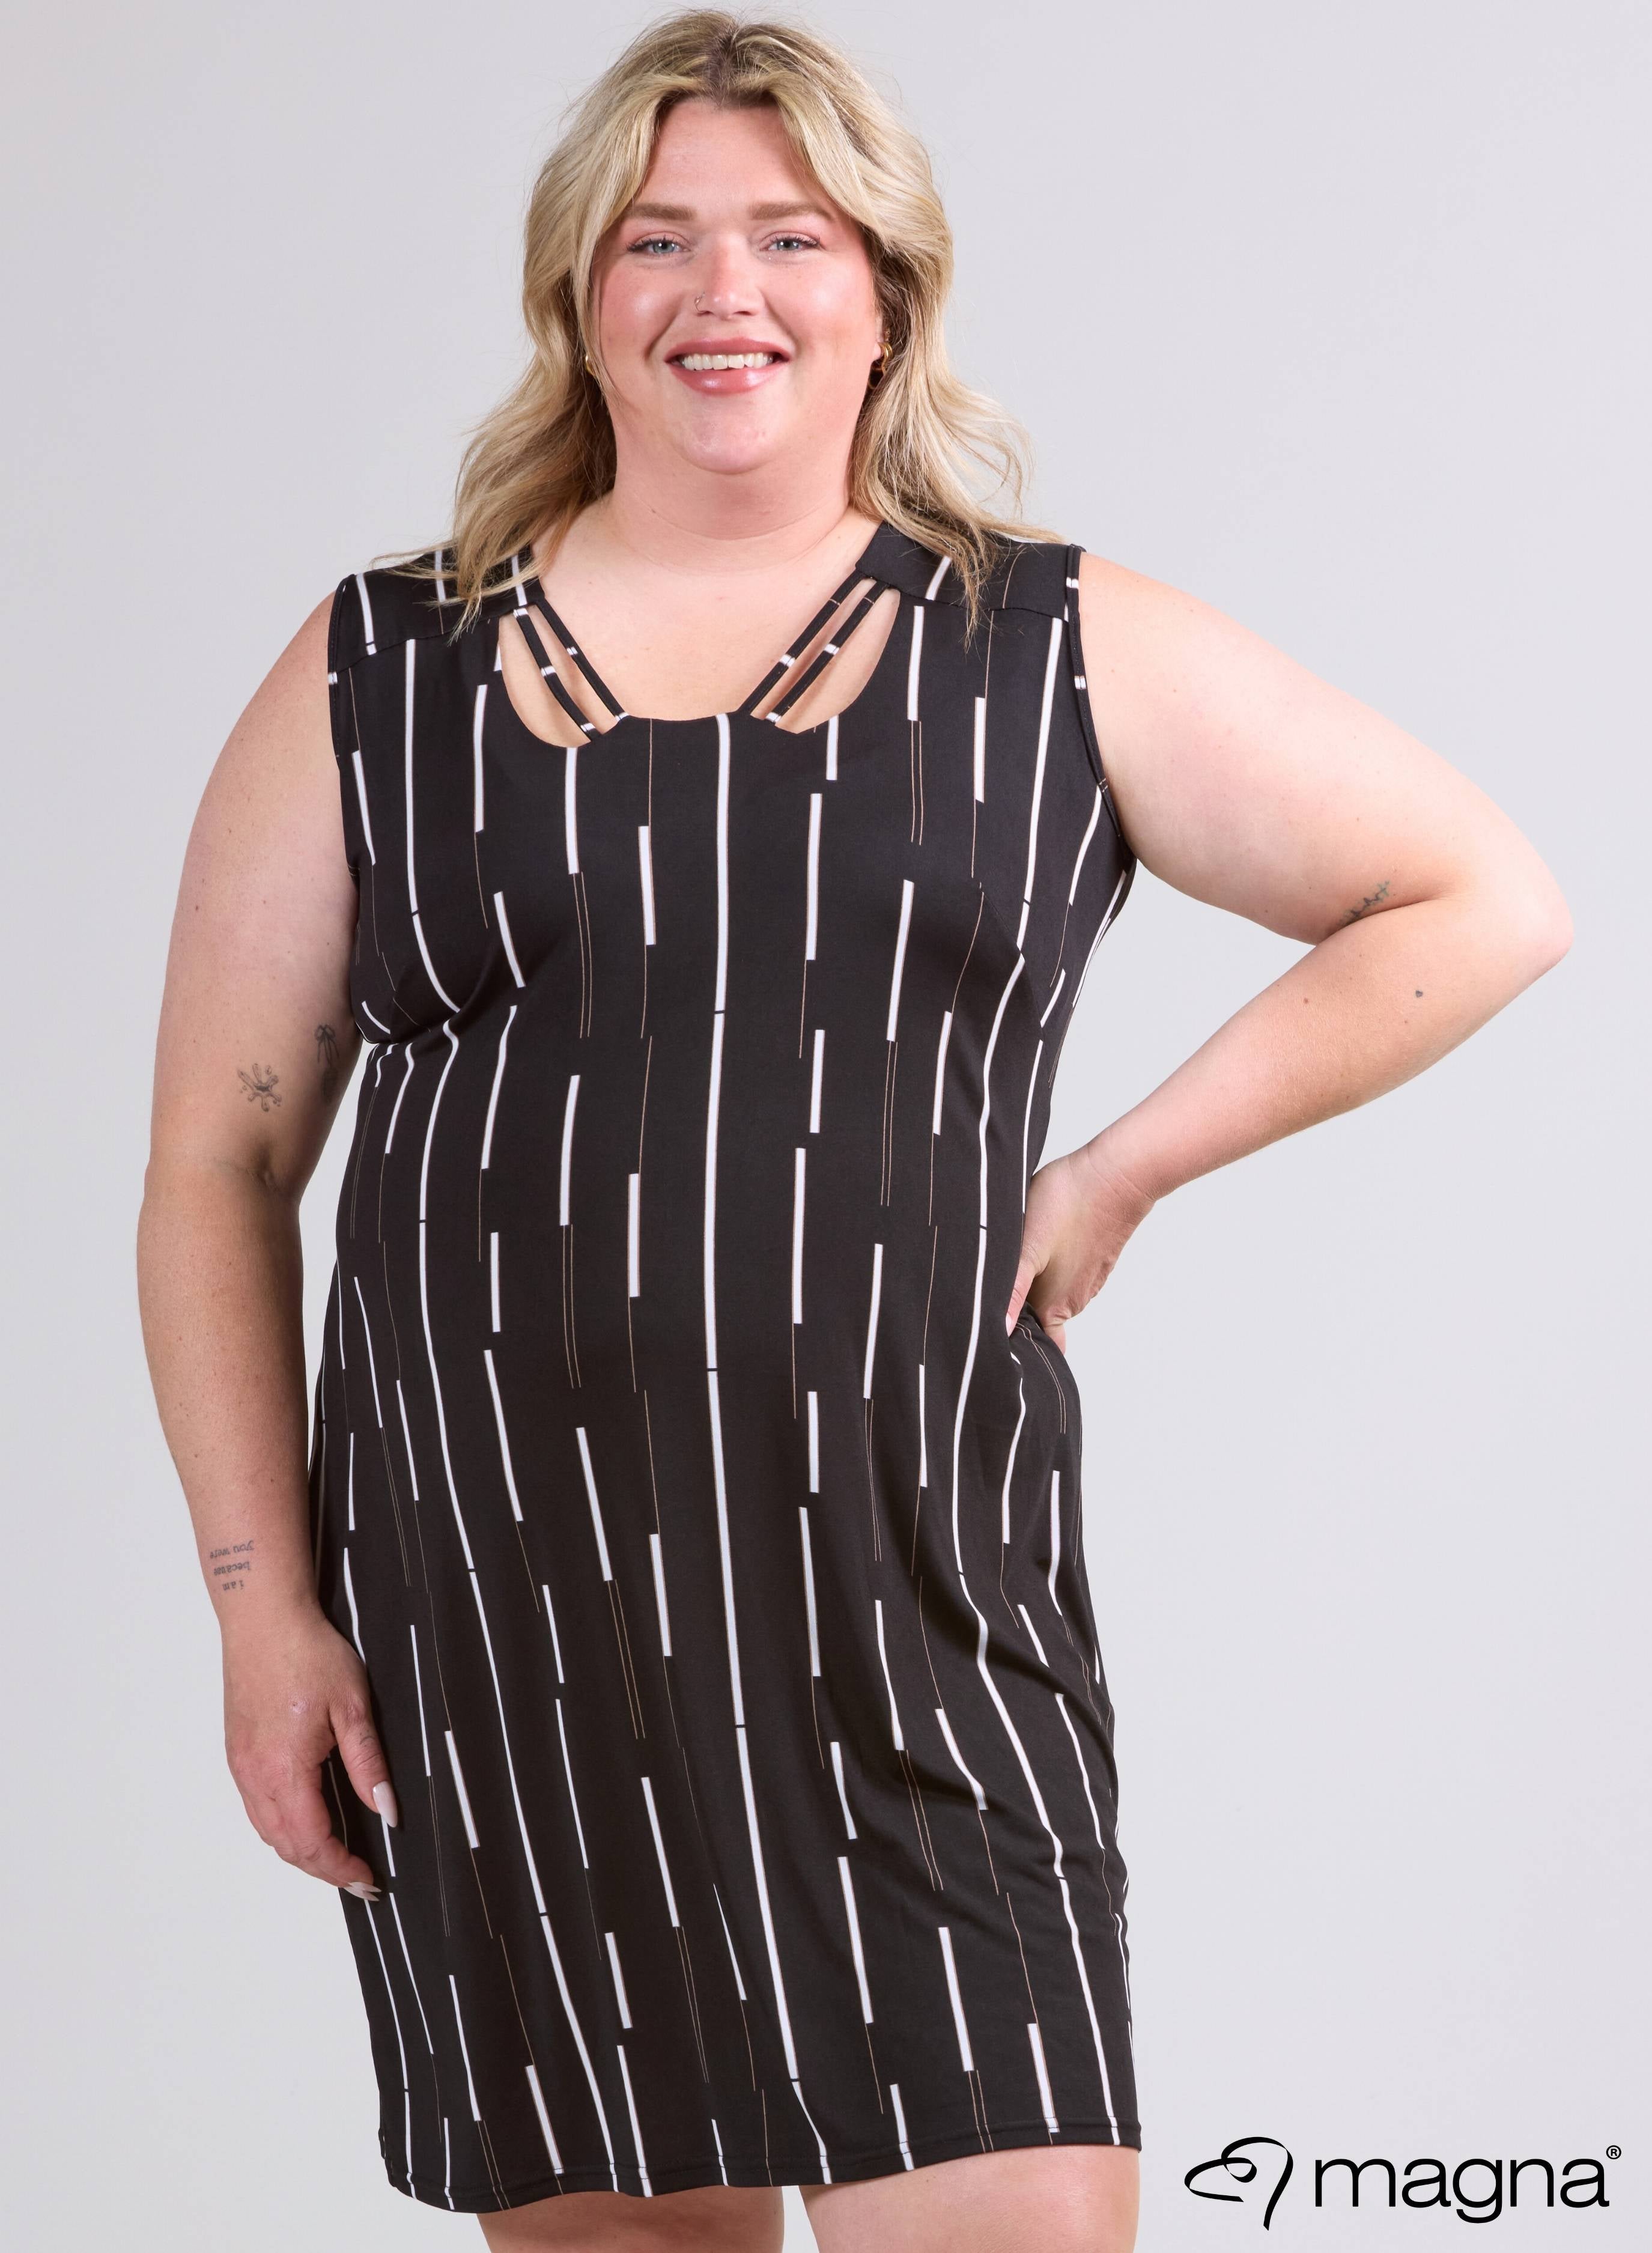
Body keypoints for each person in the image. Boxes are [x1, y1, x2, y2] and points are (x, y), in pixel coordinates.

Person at [135, 13, 1572, 2251]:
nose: (726, 292)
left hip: (916, 1623)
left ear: (887, 290)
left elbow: (1481, 897)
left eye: (790, 237)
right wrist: (260, 1611)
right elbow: (218, 1172)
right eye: (658, 239)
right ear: (577, 295)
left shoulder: (1049, 645)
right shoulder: (376, 675)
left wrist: (1121, 1167)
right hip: (508, 1642)